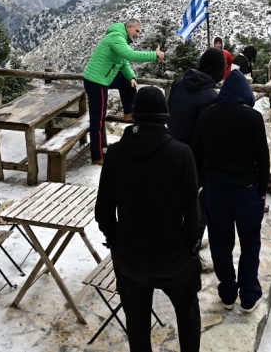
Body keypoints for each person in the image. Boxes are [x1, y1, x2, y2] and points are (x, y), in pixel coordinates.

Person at [95, 86, 203, 352]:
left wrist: (114, 241)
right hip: (172, 259)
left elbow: (103, 211)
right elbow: (192, 212)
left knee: (137, 322)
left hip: (130, 258)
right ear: (165, 118)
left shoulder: (116, 155)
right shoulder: (180, 153)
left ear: (135, 117)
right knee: (188, 312)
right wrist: (192, 244)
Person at [192, 70, 270, 313]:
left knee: (220, 243)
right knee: (250, 243)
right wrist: (262, 190)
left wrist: (205, 182)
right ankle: (248, 296)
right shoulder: (253, 118)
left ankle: (227, 292)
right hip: (247, 191)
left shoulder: (206, 115)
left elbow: (196, 154)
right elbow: (262, 159)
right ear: (246, 94)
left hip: (217, 191)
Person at [83, 19, 165, 165]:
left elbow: (124, 63)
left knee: (128, 82)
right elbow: (130, 55)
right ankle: (97, 156)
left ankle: (128, 112)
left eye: (140, 32)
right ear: (128, 27)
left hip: (104, 77)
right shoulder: (116, 37)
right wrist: (154, 55)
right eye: (137, 31)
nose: (138, 35)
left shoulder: (121, 38)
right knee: (98, 118)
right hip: (97, 82)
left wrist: (132, 77)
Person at [167, 47, 225, 147]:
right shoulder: (212, 98)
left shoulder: (178, 82)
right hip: (191, 155)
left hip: (171, 145)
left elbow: (170, 110)